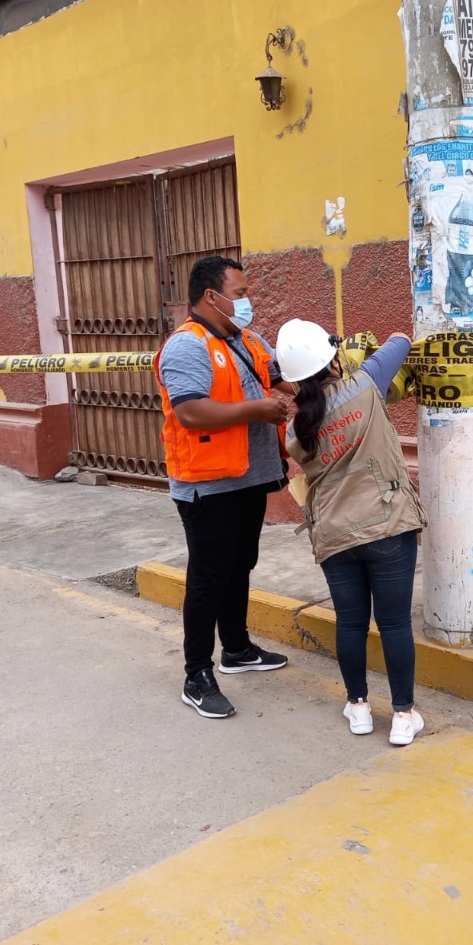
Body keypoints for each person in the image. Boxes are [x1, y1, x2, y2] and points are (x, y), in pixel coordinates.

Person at [154, 256, 293, 720]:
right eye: (239, 293)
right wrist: (259, 412)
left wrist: (332, 378)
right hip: (206, 486)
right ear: (211, 296)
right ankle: (197, 674)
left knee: (240, 565)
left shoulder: (247, 339)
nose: (247, 301)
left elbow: (279, 377)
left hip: (248, 476)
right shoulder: (186, 347)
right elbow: (191, 412)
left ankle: (236, 649)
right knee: (209, 578)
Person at [277, 319, 428, 745]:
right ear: (331, 360)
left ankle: (358, 707)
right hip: (386, 526)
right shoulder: (365, 384)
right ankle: (402, 715)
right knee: (395, 623)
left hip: (334, 535)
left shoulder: (295, 431)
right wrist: (355, 351)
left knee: (350, 623)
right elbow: (400, 341)